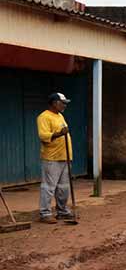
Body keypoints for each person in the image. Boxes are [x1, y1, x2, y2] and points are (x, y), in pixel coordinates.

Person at [36, 93, 75, 224]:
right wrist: (59, 134)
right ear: (54, 103)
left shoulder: (60, 116)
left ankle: (62, 211)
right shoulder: (44, 117)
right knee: (48, 187)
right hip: (52, 158)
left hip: (64, 156)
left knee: (64, 186)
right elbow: (43, 136)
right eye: (62, 103)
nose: (65, 105)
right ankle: (45, 213)